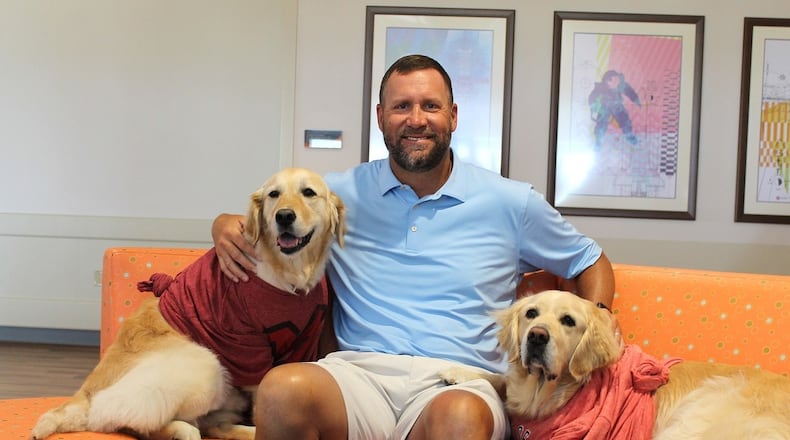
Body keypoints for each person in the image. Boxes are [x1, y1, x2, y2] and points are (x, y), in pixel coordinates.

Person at [212, 54, 615, 440]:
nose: (416, 119)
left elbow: (588, 259)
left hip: (461, 381)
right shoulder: (335, 195)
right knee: (282, 389)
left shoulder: (511, 202)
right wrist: (223, 224)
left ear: (453, 117)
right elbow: (275, 213)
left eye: (431, 106)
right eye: (402, 106)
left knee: (457, 416)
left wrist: (598, 315)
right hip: (356, 374)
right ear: (381, 117)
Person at [588, 69, 641, 149]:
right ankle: (598, 141)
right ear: (607, 81)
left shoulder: (620, 85)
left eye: (617, 79)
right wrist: (594, 107)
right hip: (604, 107)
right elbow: (592, 97)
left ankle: (629, 136)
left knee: (625, 120)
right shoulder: (600, 87)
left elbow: (630, 92)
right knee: (601, 123)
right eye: (614, 80)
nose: (617, 82)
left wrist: (636, 100)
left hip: (617, 106)